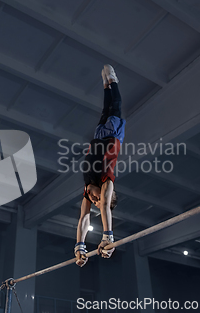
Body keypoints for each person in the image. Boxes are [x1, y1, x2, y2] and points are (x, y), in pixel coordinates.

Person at [74, 64, 125, 267]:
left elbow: (84, 219)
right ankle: (113, 80)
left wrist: (80, 246)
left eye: (93, 201)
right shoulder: (107, 181)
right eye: (99, 199)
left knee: (105, 109)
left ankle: (105, 84)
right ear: (109, 193)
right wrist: (107, 236)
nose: (95, 199)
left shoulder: (87, 192)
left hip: (98, 137)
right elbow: (104, 205)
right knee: (117, 105)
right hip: (113, 136)